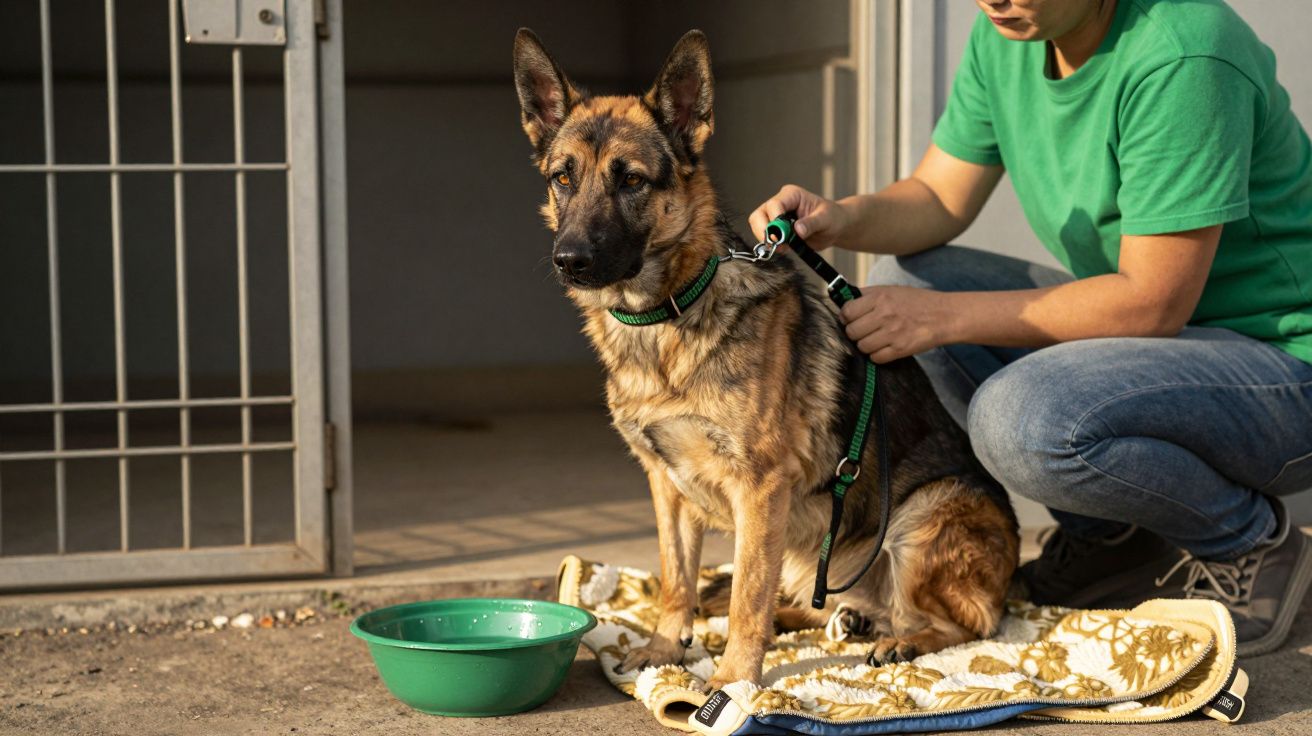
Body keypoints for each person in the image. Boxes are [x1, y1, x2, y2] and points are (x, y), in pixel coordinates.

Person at [750, 0, 1312, 656]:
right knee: (908, 287)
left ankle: (1247, 541)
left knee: (1023, 422)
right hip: (1167, 346)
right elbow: (938, 198)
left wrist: (944, 321)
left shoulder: (1183, 52)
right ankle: (1112, 543)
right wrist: (839, 216)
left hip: (1282, 365)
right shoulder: (1012, 35)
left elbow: (1155, 304)